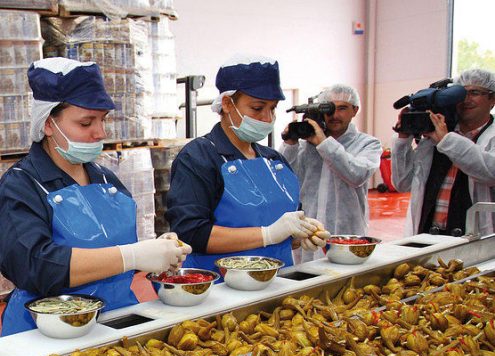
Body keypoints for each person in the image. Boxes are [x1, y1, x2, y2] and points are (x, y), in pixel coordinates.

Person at [0, 57, 192, 336]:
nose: (100, 133)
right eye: (86, 122)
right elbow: (34, 265)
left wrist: (157, 252)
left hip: (118, 319)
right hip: (48, 331)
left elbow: (118, 247)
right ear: (48, 123)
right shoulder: (21, 186)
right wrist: (132, 256)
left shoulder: (106, 179)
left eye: (102, 120)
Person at [165, 54, 329, 274]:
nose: (267, 118)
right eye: (257, 108)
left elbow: (290, 223)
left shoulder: (275, 161)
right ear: (227, 103)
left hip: (279, 283)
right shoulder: (199, 158)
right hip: (223, 290)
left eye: (272, 108)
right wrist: (268, 234)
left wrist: (303, 233)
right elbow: (192, 233)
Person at [279, 84, 381, 262]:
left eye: (342, 108)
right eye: (329, 109)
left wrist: (323, 143)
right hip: (307, 234)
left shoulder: (368, 144)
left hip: (346, 233)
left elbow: (357, 174)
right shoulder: (305, 146)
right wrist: (290, 144)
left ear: (355, 110)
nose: (334, 115)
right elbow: (284, 179)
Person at [392, 68, 495, 237]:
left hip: (475, 237)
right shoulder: (436, 137)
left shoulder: (447, 137)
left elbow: (490, 172)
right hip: (428, 235)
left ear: (493, 99)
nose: (466, 100)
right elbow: (402, 183)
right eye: (461, 94)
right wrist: (403, 140)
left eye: (474, 93)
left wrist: (447, 140)